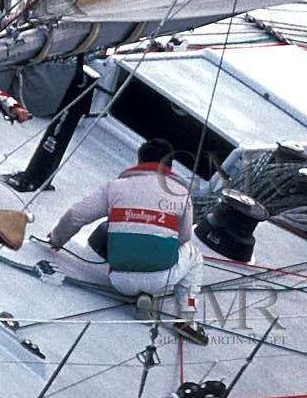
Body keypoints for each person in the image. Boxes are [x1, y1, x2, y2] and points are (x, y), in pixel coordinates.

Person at [48, 140, 208, 343]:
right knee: (194, 256)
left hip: (119, 280)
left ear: (140, 160)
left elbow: (75, 215)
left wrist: (57, 239)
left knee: (114, 230)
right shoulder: (181, 194)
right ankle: (187, 318)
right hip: (161, 279)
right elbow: (184, 237)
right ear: (170, 166)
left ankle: (140, 291)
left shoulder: (115, 187)